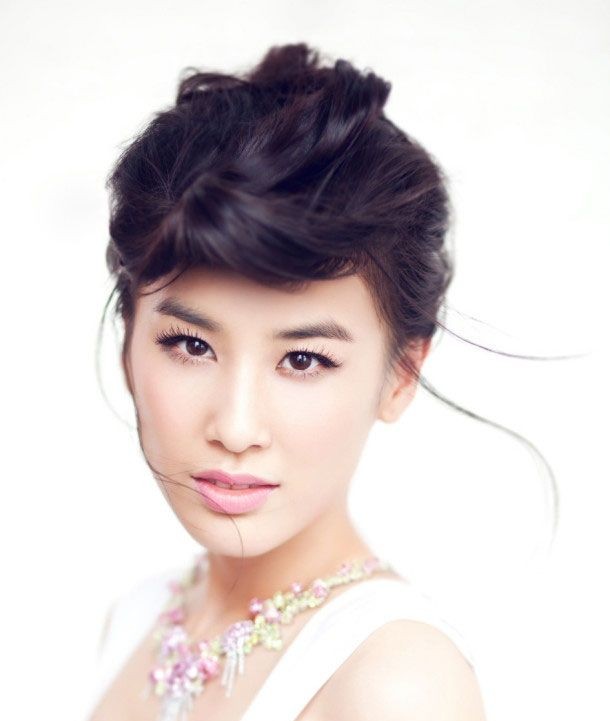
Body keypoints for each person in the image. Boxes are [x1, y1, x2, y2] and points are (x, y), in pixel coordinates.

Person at [87, 42, 488, 720]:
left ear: (400, 375)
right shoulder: (135, 618)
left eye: (303, 360)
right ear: (129, 345)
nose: (236, 427)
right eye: (190, 345)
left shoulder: (397, 684)